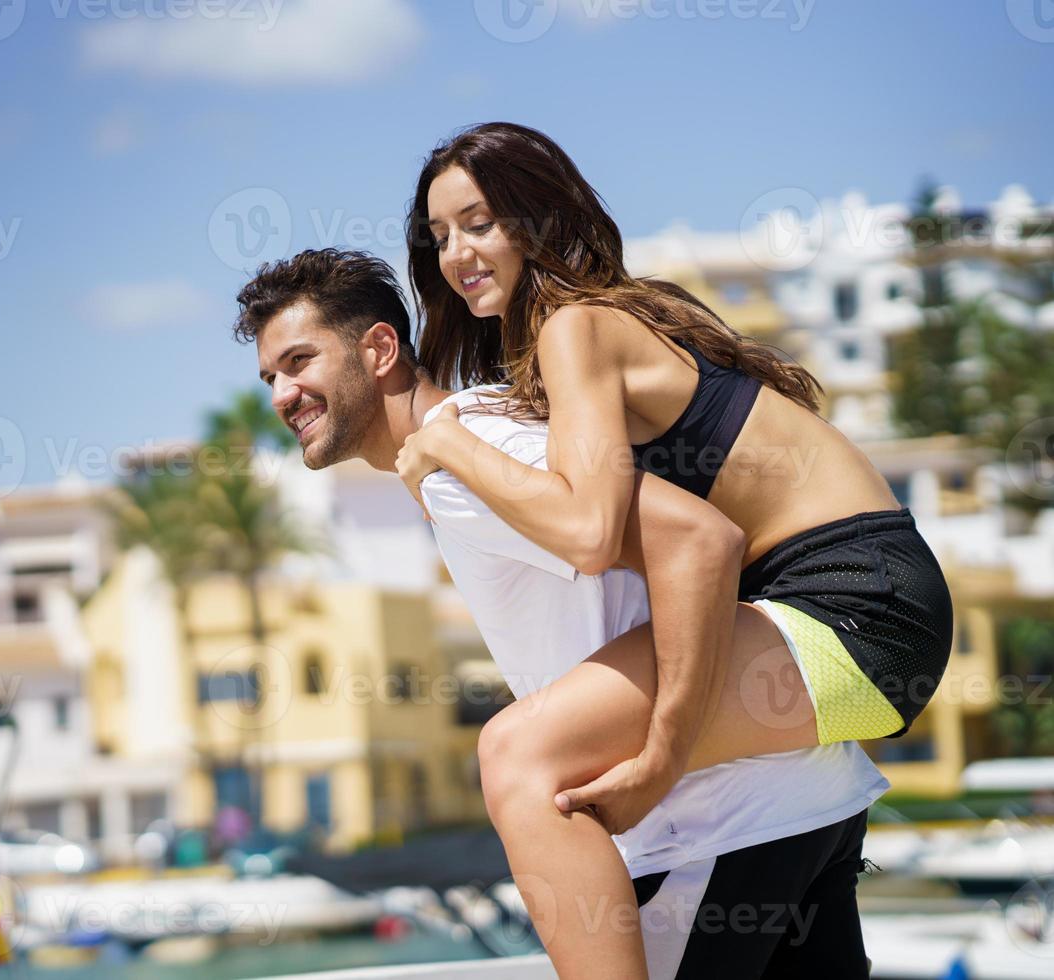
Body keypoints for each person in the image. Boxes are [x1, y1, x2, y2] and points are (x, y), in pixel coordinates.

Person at [392, 122, 953, 976]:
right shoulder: (622, 317)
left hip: (853, 603)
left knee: (521, 751)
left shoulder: (575, 328)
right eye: (438, 238)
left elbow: (588, 533)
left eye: (479, 223)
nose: (457, 254)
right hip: (883, 611)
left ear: (538, 221)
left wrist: (448, 445)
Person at [232, 248, 888, 976]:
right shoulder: (478, 436)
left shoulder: (464, 458)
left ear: (380, 348)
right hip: (805, 803)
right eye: (269, 377)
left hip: (715, 829)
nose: (281, 395)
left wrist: (663, 757)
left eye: (298, 363)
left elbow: (699, 541)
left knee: (515, 755)